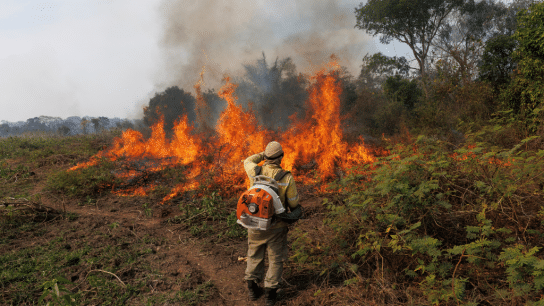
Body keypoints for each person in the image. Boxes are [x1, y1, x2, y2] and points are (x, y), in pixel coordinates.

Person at [243, 141, 303, 306]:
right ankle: (270, 293)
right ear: (281, 157)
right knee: (276, 258)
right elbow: (293, 204)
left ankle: (252, 289)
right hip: (276, 227)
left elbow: (247, 160)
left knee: (254, 254)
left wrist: (263, 154)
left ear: (267, 157)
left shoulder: (254, 171)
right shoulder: (286, 177)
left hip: (254, 223)